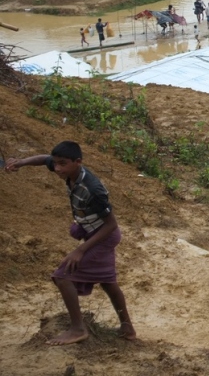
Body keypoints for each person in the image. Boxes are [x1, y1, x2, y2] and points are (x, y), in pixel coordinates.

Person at [4, 141, 136, 345]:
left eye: (62, 164)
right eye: (56, 164)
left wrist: (80, 250)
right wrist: (20, 163)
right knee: (108, 282)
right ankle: (127, 328)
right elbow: (43, 159)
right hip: (93, 232)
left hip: (103, 236)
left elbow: (111, 225)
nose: (57, 169)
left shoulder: (92, 188)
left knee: (63, 275)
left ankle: (78, 329)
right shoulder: (68, 171)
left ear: (78, 162)